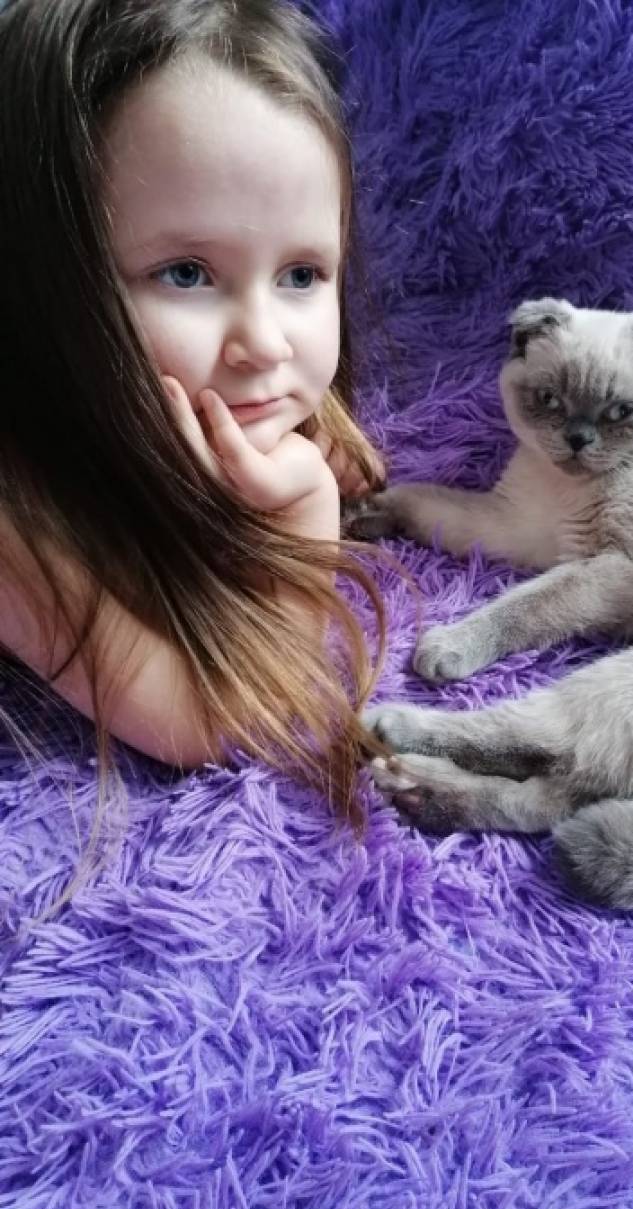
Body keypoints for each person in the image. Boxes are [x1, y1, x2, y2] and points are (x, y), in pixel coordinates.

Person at [0, 0, 388, 845]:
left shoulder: (229, 388)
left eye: (301, 274)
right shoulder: (15, 516)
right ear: (43, 286)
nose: (264, 344)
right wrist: (306, 504)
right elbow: (220, 717)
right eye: (185, 273)